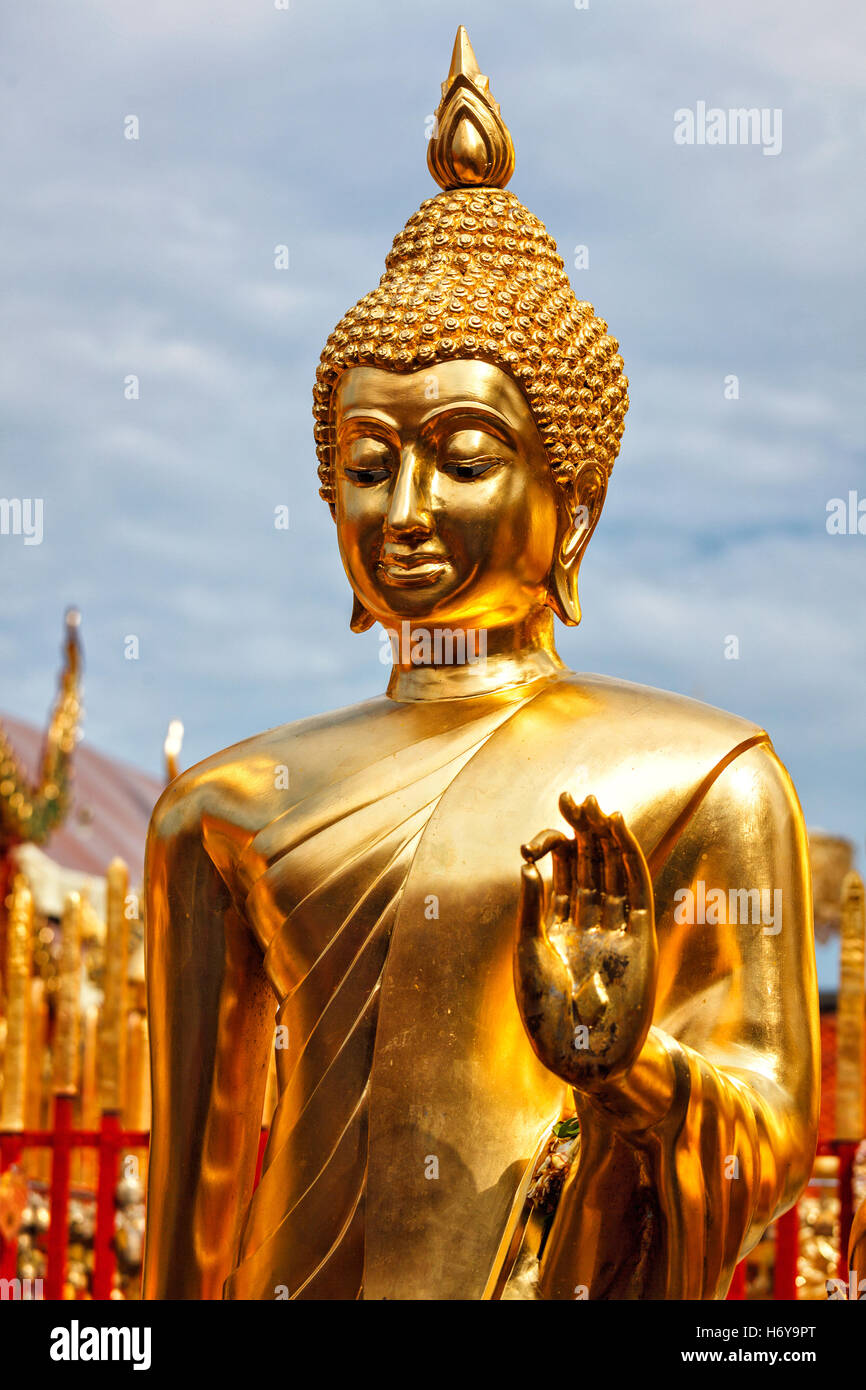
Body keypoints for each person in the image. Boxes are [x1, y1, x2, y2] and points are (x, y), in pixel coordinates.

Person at [142, 29, 818, 1301]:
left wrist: (624, 1065)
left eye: (459, 456)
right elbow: (191, 1208)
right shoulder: (222, 811)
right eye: (362, 461)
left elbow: (775, 1125)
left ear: (573, 502)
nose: (401, 509)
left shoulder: (701, 777)